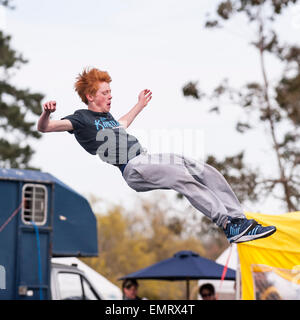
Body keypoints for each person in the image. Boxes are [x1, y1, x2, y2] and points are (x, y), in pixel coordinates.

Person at [37, 67, 276, 244]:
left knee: (197, 167)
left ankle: (239, 220)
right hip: (133, 167)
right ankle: (227, 224)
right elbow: (45, 128)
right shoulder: (80, 118)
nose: (111, 95)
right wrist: (46, 114)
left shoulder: (107, 119)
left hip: (146, 158)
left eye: (111, 91)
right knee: (181, 176)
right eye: (105, 92)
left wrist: (139, 104)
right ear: (91, 96)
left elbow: (123, 123)